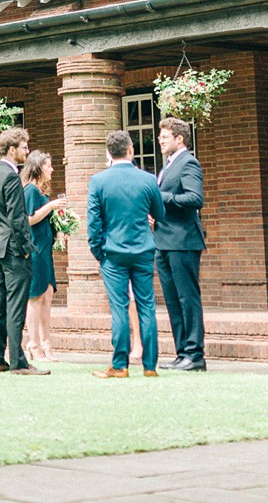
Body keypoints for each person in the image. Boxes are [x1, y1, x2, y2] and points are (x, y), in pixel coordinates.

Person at [86, 128, 166, 378]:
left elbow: (93, 223)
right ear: (131, 150)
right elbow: (160, 214)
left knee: (119, 307)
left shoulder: (98, 181)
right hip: (143, 250)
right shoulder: (148, 180)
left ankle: (120, 365)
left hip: (113, 253)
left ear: (109, 153)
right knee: (147, 306)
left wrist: (99, 252)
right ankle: (150, 366)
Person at [0, 126, 47, 375]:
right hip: (13, 249)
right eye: (24, 147)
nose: (27, 150)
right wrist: (24, 249)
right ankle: (19, 363)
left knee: (0, 304)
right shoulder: (11, 177)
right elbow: (17, 218)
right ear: (12, 149)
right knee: (15, 306)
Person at [156, 116, 207, 371]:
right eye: (160, 136)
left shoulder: (189, 162)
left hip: (183, 240)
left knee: (188, 298)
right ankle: (181, 353)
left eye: (165, 136)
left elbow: (195, 198)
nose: (160, 140)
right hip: (163, 241)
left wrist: (160, 197)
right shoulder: (167, 165)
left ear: (179, 139)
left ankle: (195, 355)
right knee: (173, 299)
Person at [21, 149, 65, 364]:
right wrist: (51, 206)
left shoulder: (42, 192)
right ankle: (33, 344)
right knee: (35, 297)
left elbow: (45, 219)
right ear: (38, 168)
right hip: (35, 251)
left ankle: (47, 343)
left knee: (47, 295)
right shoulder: (30, 191)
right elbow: (28, 219)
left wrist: (60, 229)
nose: (52, 169)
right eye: (49, 165)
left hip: (46, 251)